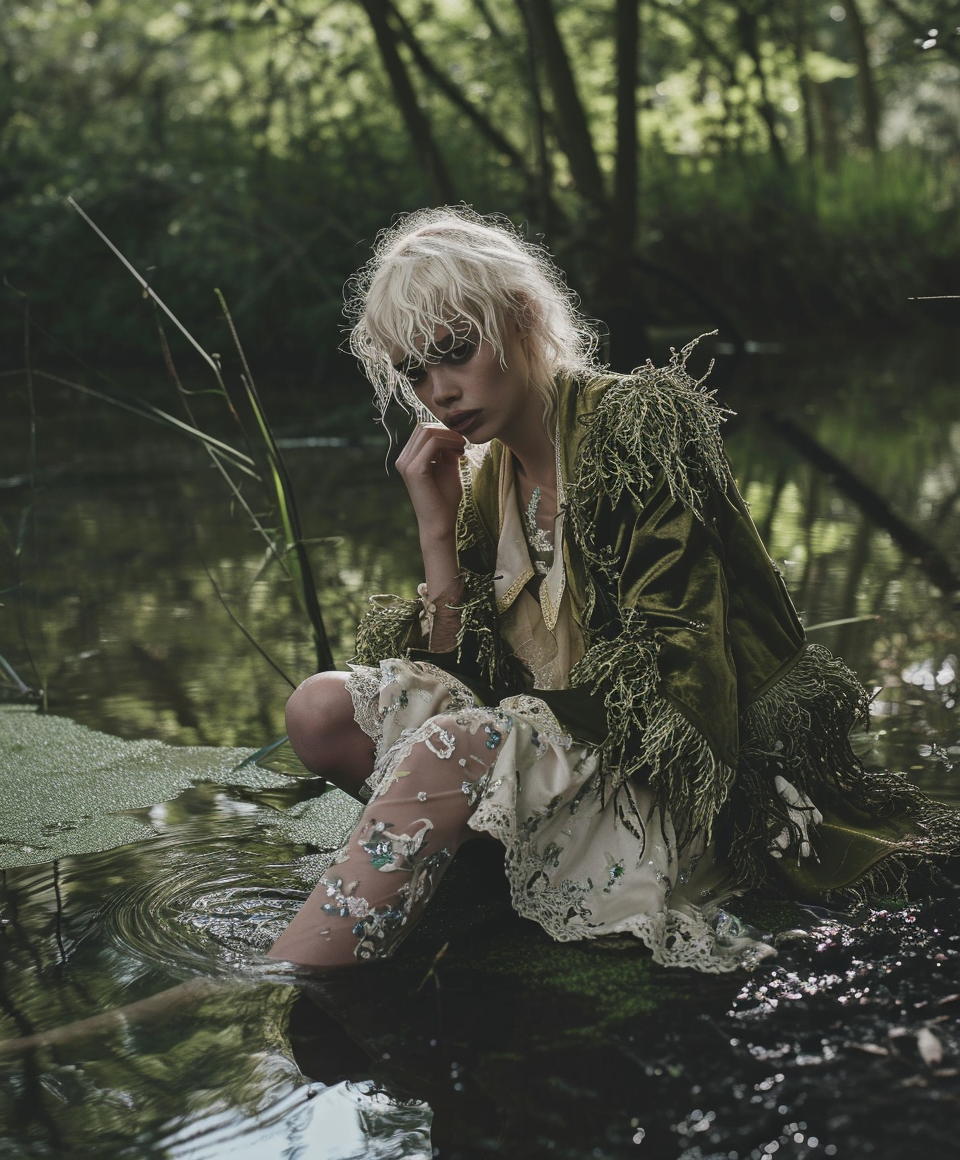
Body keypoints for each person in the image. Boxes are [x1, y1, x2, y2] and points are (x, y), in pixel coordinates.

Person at [268, 206, 960, 974]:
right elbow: (467, 679)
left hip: (669, 767)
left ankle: (289, 980)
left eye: (454, 353)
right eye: (416, 374)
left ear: (524, 316)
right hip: (557, 750)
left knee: (453, 742)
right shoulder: (485, 471)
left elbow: (682, 672)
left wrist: (490, 737)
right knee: (319, 710)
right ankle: (471, 869)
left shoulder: (636, 429)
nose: (439, 392)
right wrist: (436, 533)